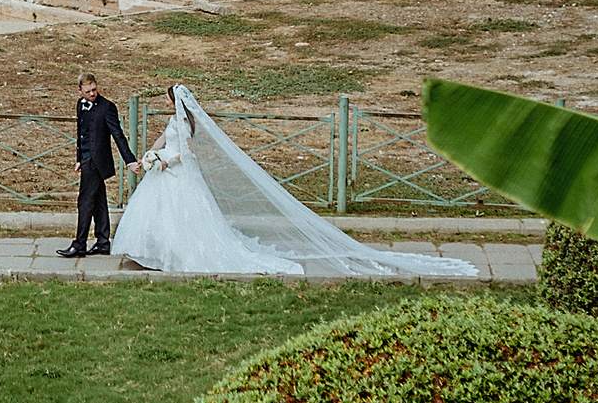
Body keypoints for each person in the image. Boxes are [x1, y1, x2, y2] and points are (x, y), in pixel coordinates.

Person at [114, 85, 481, 280]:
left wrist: (164, 160)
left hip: (179, 173)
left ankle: (177, 256)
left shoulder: (187, 126)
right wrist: (146, 157)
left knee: (186, 219)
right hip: (162, 173)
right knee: (157, 216)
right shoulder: (172, 123)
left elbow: (188, 154)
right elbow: (161, 142)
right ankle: (152, 254)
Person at [59, 73, 135, 259]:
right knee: (99, 201)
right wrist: (79, 158)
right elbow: (81, 133)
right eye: (88, 91)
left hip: (97, 161)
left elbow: (118, 135)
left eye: (94, 89)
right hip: (86, 159)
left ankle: (79, 244)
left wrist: (130, 160)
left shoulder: (107, 107)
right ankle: (102, 242)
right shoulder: (80, 105)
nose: (92, 94)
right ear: (80, 90)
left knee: (85, 202)